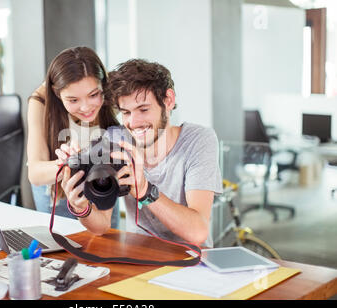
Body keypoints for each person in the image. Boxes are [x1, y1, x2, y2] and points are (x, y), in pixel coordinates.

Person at [60, 59, 223, 247]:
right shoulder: (116, 140)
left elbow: (198, 231)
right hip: (139, 256)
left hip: (190, 262)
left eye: (143, 109)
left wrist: (145, 191)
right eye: (126, 113)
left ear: (168, 100)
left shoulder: (198, 140)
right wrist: (82, 208)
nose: (134, 122)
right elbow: (101, 226)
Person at [27, 46, 121, 228]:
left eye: (93, 95)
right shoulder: (40, 102)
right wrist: (73, 163)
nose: (86, 108)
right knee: (61, 251)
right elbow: (35, 173)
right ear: (57, 93)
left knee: (107, 246)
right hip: (57, 192)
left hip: (102, 184)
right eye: (73, 100)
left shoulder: (111, 93)